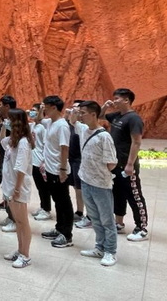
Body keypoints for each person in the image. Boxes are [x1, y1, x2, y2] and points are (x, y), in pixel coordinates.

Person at [69, 101, 118, 266]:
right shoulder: (83, 129)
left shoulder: (104, 136)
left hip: (101, 184)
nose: (80, 115)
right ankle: (99, 247)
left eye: (83, 113)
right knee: (95, 218)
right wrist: (75, 112)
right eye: (80, 112)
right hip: (86, 180)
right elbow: (73, 121)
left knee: (107, 220)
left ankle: (110, 251)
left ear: (93, 114)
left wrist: (98, 171)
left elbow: (112, 163)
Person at [100, 88, 148, 241]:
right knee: (118, 194)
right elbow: (100, 116)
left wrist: (130, 164)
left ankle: (142, 228)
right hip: (115, 164)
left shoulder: (133, 119)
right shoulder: (117, 116)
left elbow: (136, 142)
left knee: (134, 196)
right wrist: (105, 106)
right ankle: (119, 223)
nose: (114, 101)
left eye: (117, 99)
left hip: (127, 165)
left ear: (126, 100)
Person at [39, 95, 74, 248]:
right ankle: (59, 228)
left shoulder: (62, 126)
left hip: (58, 169)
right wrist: (41, 110)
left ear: (54, 107)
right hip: (50, 169)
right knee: (57, 201)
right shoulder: (50, 122)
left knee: (64, 201)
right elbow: (38, 120)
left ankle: (67, 234)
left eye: (46, 107)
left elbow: (64, 148)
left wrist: (63, 169)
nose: (44, 110)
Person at [1, 108, 34, 268]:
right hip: (10, 187)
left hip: (18, 188)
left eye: (9, 119)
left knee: (22, 222)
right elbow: (2, 141)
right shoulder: (13, 140)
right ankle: (20, 250)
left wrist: (16, 189)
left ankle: (25, 255)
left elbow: (21, 167)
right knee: (18, 222)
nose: (7, 121)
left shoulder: (23, 143)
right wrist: (2, 125)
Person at [29, 104, 51, 221]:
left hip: (40, 161)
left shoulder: (43, 127)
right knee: (39, 187)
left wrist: (44, 161)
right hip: (33, 160)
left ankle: (46, 210)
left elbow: (46, 144)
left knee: (44, 187)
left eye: (34, 110)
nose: (31, 112)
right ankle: (43, 207)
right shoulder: (33, 125)